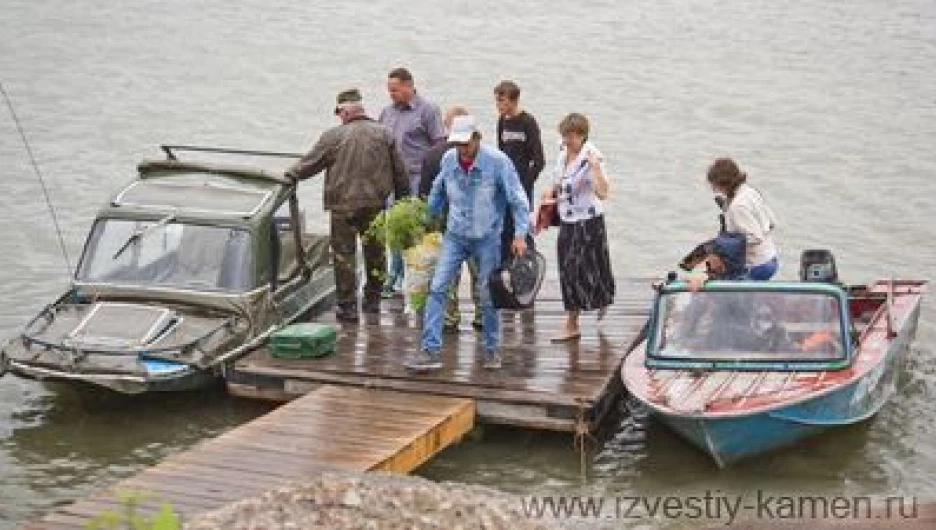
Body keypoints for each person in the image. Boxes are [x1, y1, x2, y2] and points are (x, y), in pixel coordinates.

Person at [404, 115, 531, 372]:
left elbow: (518, 200)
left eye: (466, 143)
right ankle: (430, 350)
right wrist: (426, 220)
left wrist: (520, 234)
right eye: (457, 143)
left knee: (487, 295)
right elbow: (438, 191)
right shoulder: (449, 159)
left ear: (476, 138)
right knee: (437, 288)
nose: (462, 148)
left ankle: (492, 349)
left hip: (487, 238)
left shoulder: (498, 162)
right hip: (455, 235)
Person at [287, 89, 409, 323]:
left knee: (344, 256)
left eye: (339, 113)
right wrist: (402, 202)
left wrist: (289, 175)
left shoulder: (333, 136)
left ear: (344, 111)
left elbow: (308, 165)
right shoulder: (385, 134)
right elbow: (400, 172)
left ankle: (347, 307)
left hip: (342, 206)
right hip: (375, 204)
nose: (339, 118)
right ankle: (372, 301)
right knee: (376, 253)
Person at [541, 113, 614, 342]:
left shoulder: (591, 157)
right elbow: (558, 180)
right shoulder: (563, 152)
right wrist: (550, 192)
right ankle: (573, 322)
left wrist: (596, 169)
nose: (567, 140)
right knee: (568, 269)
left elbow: (603, 193)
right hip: (567, 219)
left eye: (571, 137)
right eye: (564, 136)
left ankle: (601, 300)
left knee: (594, 266)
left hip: (589, 220)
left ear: (582, 136)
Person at [379, 67, 446, 298]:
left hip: (417, 177)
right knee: (393, 229)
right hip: (391, 179)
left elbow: (440, 145)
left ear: (409, 86)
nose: (391, 94)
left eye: (395, 89)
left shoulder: (427, 111)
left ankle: (414, 278)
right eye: (389, 90)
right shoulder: (386, 113)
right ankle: (394, 276)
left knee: (414, 229)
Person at [418, 105, 483, 332]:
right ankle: (482, 314)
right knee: (479, 270)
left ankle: (449, 315)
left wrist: (427, 223)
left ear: (447, 126)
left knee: (448, 270)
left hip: (446, 219)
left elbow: (425, 193)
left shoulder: (432, 155)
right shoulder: (483, 154)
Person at [494, 80, 543, 262]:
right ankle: (506, 269)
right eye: (497, 102)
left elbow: (539, 161)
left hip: (522, 185)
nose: (499, 106)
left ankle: (527, 267)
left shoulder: (528, 122)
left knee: (522, 228)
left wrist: (525, 183)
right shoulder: (502, 121)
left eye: (503, 102)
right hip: (504, 184)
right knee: (504, 228)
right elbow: (500, 153)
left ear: (514, 101)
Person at [706, 158, 780, 280]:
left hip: (756, 265)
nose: (715, 190)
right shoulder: (750, 192)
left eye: (714, 186)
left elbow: (756, 237)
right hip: (770, 259)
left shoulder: (737, 206)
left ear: (723, 183)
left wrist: (723, 245)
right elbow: (772, 222)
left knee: (728, 295)